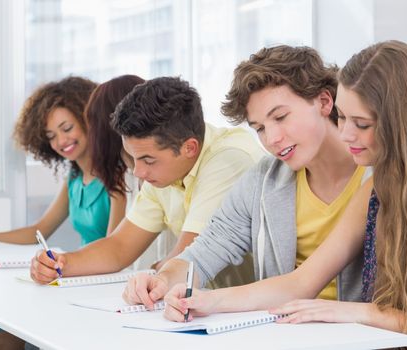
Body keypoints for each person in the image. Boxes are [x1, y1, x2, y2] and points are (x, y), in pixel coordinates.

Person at [163, 41, 407, 349]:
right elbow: (302, 281)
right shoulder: (378, 187)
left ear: (402, 122)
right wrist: (211, 301)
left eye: (362, 124)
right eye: (343, 118)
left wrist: (365, 314)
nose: (346, 134)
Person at [122, 45, 367, 308]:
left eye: (281, 117)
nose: (272, 139)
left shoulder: (377, 175)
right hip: (285, 331)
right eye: (259, 128)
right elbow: (208, 247)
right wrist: (164, 279)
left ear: (324, 101)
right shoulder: (262, 181)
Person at [29, 76, 265, 288]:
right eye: (132, 158)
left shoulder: (229, 159)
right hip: (200, 304)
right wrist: (61, 264)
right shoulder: (160, 172)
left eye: (147, 160)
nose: (139, 172)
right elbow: (119, 247)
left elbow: (191, 255)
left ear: (189, 148)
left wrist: (158, 272)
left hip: (249, 315)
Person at [0, 77, 127, 350]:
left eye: (66, 128)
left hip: (94, 281)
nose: (61, 141)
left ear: (88, 119)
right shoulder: (74, 177)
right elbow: (38, 230)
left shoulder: (117, 176)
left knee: (1, 342)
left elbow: (115, 249)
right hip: (70, 275)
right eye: (51, 137)